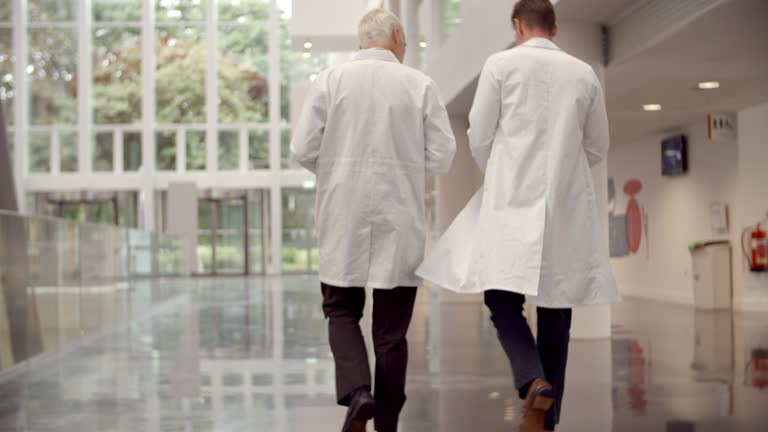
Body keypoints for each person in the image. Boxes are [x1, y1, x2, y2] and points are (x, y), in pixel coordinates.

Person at [417, 0, 619, 431]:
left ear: (517, 26)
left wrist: (505, 171)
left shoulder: (500, 65)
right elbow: (598, 145)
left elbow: (480, 131)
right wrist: (564, 169)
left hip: (511, 201)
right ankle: (549, 419)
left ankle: (531, 377)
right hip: (565, 205)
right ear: (555, 28)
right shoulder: (583, 73)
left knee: (500, 297)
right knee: (556, 308)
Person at [290, 8, 456, 432]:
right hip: (399, 216)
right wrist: (403, 166)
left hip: (342, 213)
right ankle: (386, 422)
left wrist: (336, 172)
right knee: (392, 331)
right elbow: (442, 155)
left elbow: (303, 147)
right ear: (398, 35)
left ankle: (358, 392)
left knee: (340, 309)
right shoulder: (419, 84)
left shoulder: (330, 80)